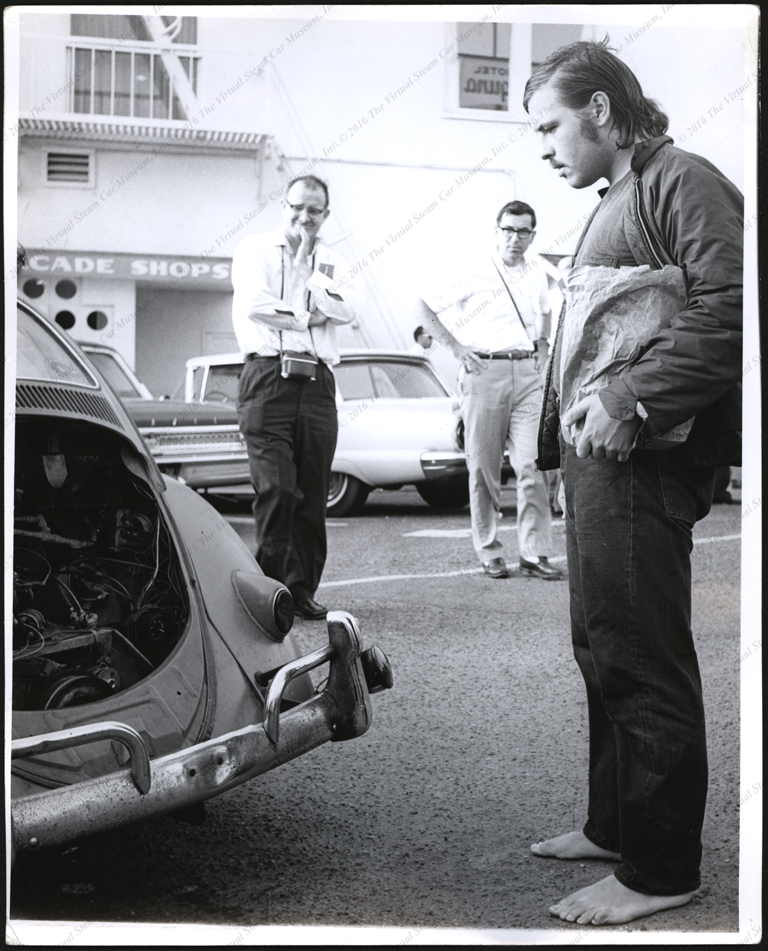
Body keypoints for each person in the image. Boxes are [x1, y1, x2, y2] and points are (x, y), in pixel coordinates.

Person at [524, 40, 742, 925]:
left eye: (551, 124)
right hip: (602, 455)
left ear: (603, 111)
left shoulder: (682, 179)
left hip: (644, 451)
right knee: (601, 644)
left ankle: (659, 870)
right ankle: (615, 824)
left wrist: (633, 398)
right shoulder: (618, 194)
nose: (542, 145)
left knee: (641, 652)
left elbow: (733, 305)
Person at [231, 175, 362, 620]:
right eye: (297, 207)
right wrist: (309, 311)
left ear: (325, 215)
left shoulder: (332, 261)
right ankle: (269, 593)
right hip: (268, 377)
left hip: (318, 382)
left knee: (310, 494)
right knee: (278, 488)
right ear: (282, 206)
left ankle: (301, 591)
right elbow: (256, 304)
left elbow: (347, 310)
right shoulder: (255, 250)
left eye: (315, 211)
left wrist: (311, 280)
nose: (304, 217)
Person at [416, 201, 562, 581]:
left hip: (527, 372)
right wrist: (456, 348)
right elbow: (424, 307)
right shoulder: (474, 270)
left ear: (533, 235)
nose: (515, 239)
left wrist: (542, 352)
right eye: (508, 230)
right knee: (483, 467)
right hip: (484, 370)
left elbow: (545, 310)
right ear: (496, 231)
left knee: (533, 464)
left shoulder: (536, 270)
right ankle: (490, 550)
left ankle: (534, 552)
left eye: (523, 232)